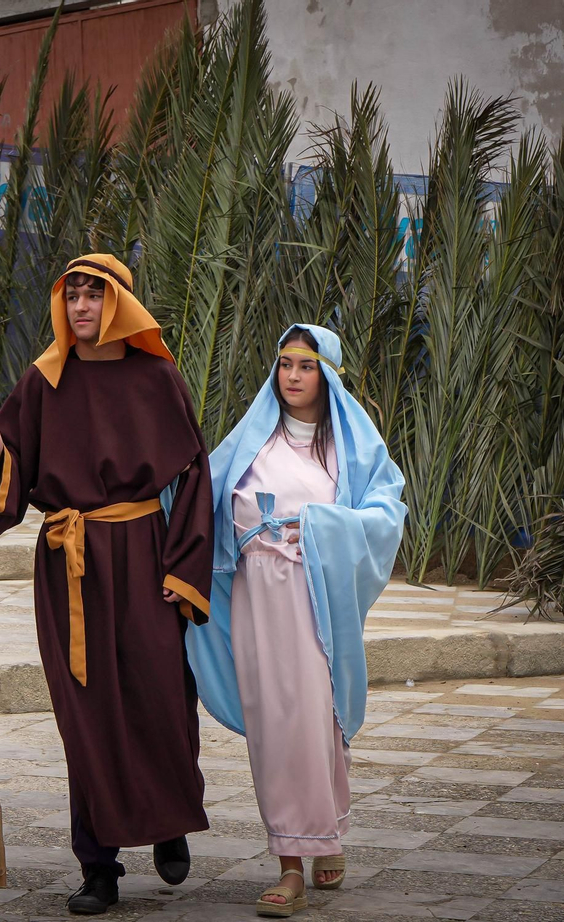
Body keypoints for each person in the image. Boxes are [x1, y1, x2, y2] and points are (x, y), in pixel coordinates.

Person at [0, 254, 214, 916]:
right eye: (71, 295)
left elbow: (194, 476)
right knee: (87, 713)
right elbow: (7, 492)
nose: (80, 307)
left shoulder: (159, 379)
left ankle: (166, 824)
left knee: (161, 695)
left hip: (144, 556)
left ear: (119, 306)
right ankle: (98, 865)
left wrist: (184, 570)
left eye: (93, 295)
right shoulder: (42, 381)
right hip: (69, 567)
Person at [187, 324, 406, 917]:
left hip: (315, 597)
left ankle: (320, 833)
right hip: (257, 597)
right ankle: (291, 862)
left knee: (315, 716)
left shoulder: (353, 451)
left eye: (305, 365)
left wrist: (318, 528)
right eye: (284, 363)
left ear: (327, 374)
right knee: (274, 725)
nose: (291, 375)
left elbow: (387, 514)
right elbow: (194, 495)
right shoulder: (251, 443)